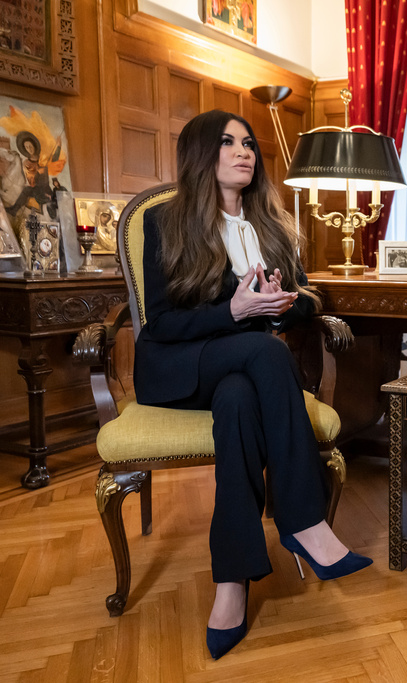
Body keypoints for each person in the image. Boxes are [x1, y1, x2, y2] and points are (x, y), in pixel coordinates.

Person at [133, 110, 372, 661]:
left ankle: (232, 582)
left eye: (248, 143)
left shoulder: (272, 224)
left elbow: (314, 297)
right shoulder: (166, 223)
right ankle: (305, 523)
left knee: (240, 397)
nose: (244, 152)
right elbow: (160, 324)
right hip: (180, 366)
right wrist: (235, 311)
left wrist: (287, 306)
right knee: (262, 352)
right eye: (227, 143)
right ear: (201, 154)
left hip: (245, 374)